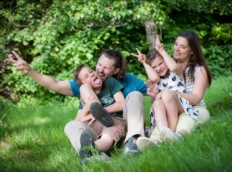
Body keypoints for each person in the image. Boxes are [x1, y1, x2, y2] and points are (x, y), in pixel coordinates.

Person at [5, 49, 148, 155]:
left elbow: (153, 86)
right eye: (98, 65)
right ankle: (86, 152)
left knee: (135, 95)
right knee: (70, 125)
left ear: (116, 70)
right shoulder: (86, 84)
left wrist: (156, 88)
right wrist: (29, 70)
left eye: (105, 67)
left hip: (118, 121)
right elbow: (56, 85)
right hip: (96, 123)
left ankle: (133, 142)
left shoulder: (121, 81)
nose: (98, 70)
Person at [134, 30, 212, 150]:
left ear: (192, 51)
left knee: (184, 121)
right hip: (171, 109)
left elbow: (196, 98)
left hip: (194, 109)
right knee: (160, 121)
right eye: (176, 44)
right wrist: (155, 95)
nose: (177, 49)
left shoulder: (198, 70)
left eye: (182, 46)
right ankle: (154, 142)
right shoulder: (166, 65)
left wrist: (171, 94)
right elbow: (159, 89)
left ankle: (176, 136)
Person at [71, 64, 126, 161]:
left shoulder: (109, 82)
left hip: (114, 122)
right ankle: (94, 105)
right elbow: (79, 120)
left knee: (108, 135)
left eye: (91, 71)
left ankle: (89, 151)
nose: (91, 74)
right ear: (83, 83)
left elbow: (122, 104)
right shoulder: (84, 95)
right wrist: (88, 106)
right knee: (70, 125)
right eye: (86, 76)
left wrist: (103, 110)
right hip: (96, 127)